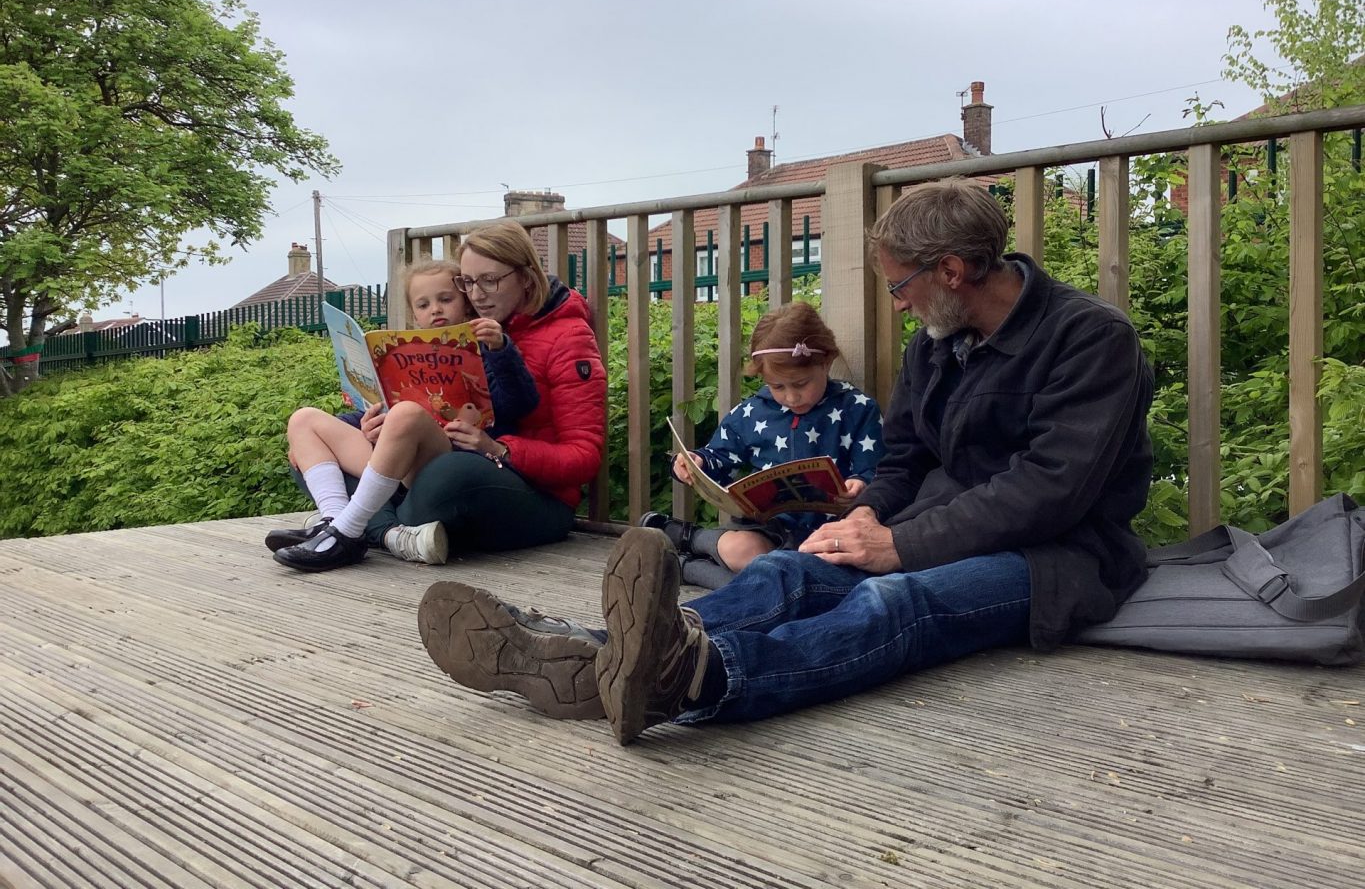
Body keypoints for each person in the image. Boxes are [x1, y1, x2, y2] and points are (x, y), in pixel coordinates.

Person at [417, 178, 1156, 744]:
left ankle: (695, 678)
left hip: (1057, 555)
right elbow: (905, 458)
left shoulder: (1090, 339)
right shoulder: (938, 345)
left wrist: (901, 545)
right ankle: (590, 651)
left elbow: (1048, 490)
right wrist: (867, 513)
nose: (897, 304)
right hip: (933, 527)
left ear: (953, 271)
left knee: (893, 602)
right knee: (787, 571)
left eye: (900, 285)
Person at [276, 220, 608, 573]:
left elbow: (583, 456)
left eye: (490, 280)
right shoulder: (466, 332)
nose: (477, 295)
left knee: (448, 473)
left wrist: (499, 449)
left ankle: (363, 528)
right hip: (433, 461)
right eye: (468, 282)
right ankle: (349, 528)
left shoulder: (564, 337)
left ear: (526, 277)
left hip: (528, 493)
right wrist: (371, 427)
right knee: (307, 434)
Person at [269, 256, 540, 568]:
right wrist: (365, 425)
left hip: (445, 462)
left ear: (467, 303)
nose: (435, 309)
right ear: (414, 315)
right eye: (423, 304)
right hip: (396, 462)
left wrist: (500, 351)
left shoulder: (488, 350)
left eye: (446, 299)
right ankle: (331, 522)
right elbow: (381, 406)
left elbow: (519, 404)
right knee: (304, 420)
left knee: (406, 413)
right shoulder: (401, 353)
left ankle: (347, 533)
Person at [639, 301, 883, 588]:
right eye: (777, 387)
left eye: (801, 384)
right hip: (766, 531)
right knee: (744, 552)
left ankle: (683, 568)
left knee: (795, 577)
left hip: (829, 535)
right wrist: (696, 462)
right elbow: (719, 457)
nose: (791, 397)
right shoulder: (752, 412)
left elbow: (878, 470)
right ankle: (694, 540)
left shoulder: (857, 408)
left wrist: (860, 484)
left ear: (826, 362)